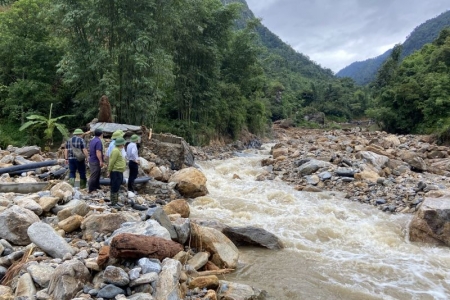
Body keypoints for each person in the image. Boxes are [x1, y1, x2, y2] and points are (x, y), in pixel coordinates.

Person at [107, 137, 126, 207]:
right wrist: (109, 171)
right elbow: (111, 162)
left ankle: (116, 202)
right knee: (114, 186)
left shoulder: (118, 150)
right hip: (115, 171)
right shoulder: (115, 151)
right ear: (121, 144)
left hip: (119, 171)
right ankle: (113, 203)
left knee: (117, 186)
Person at [88, 128, 104, 193]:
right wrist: (101, 161)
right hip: (95, 160)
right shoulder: (98, 141)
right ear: (101, 134)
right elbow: (98, 151)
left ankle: (96, 186)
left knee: (97, 174)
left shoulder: (93, 140)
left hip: (92, 159)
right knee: (94, 174)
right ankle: (91, 188)